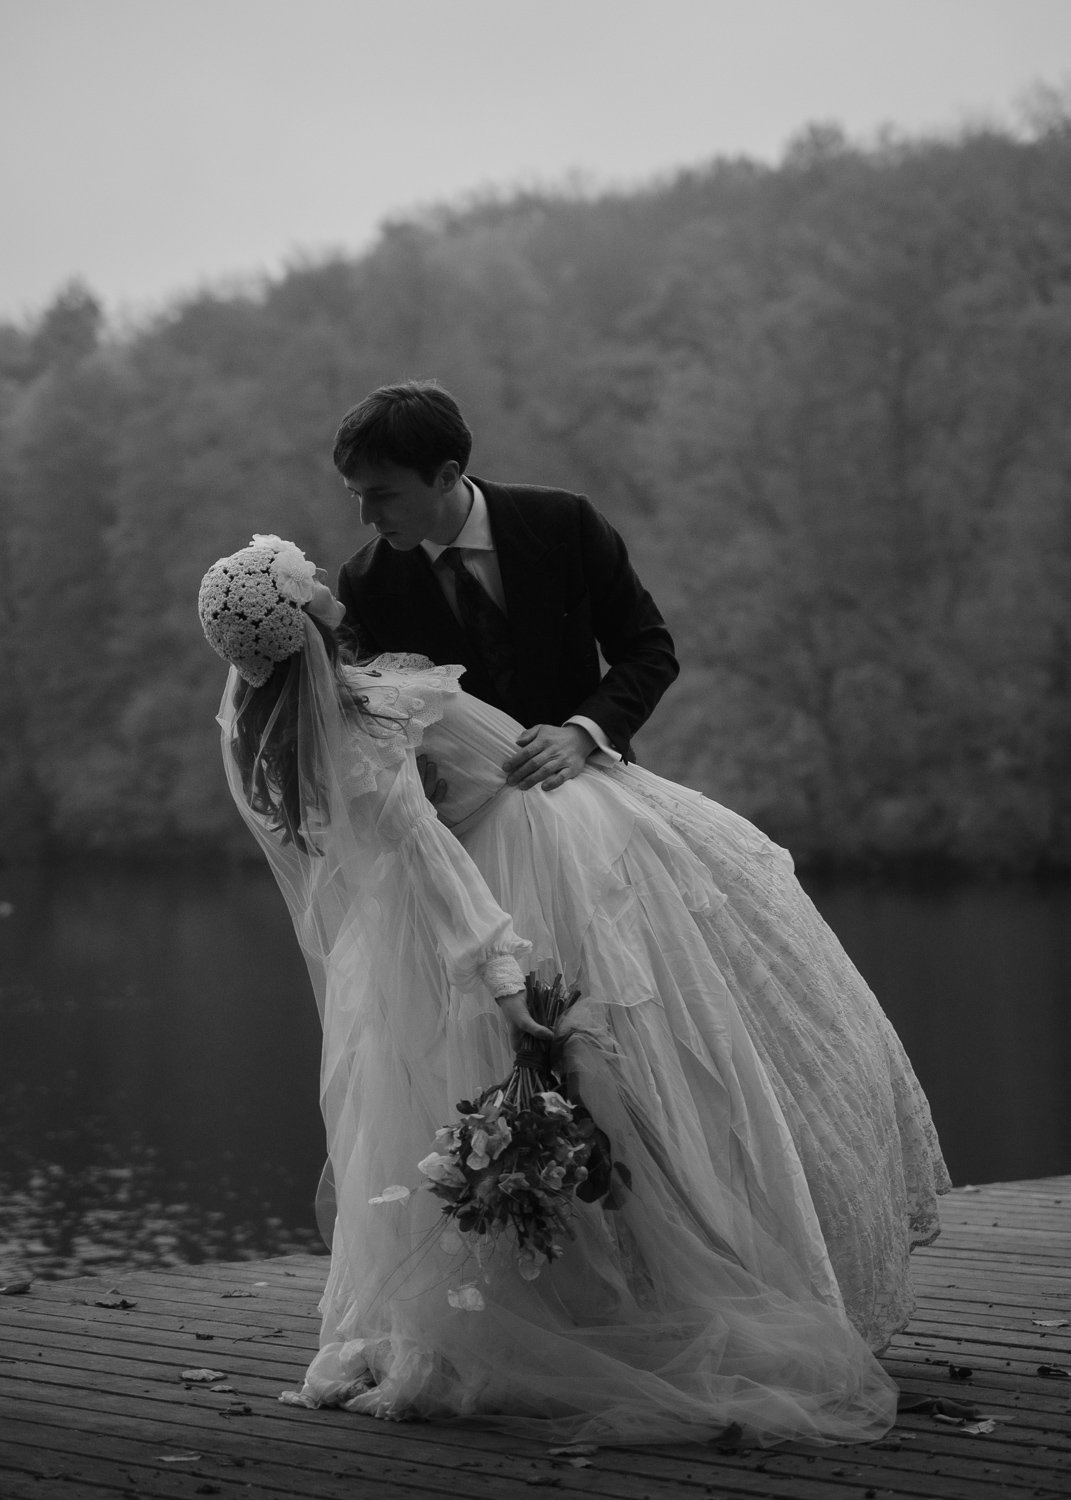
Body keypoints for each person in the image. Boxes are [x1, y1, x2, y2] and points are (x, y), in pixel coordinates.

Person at [198, 535, 950, 1448]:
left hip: (565, 838)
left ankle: (588, 1295)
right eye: (309, 582)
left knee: (637, 1076)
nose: (328, 580)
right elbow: (432, 862)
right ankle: (582, 1310)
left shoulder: (346, 706)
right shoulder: (369, 728)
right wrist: (505, 979)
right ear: (304, 619)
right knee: (591, 1090)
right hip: (521, 878)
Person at [332, 380, 679, 792]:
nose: (366, 516)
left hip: (598, 790)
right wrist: (402, 776)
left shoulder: (565, 522)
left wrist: (583, 734)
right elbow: (369, 725)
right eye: (355, 494)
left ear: (446, 476)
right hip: (470, 823)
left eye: (382, 495)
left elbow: (648, 650)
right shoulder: (363, 582)